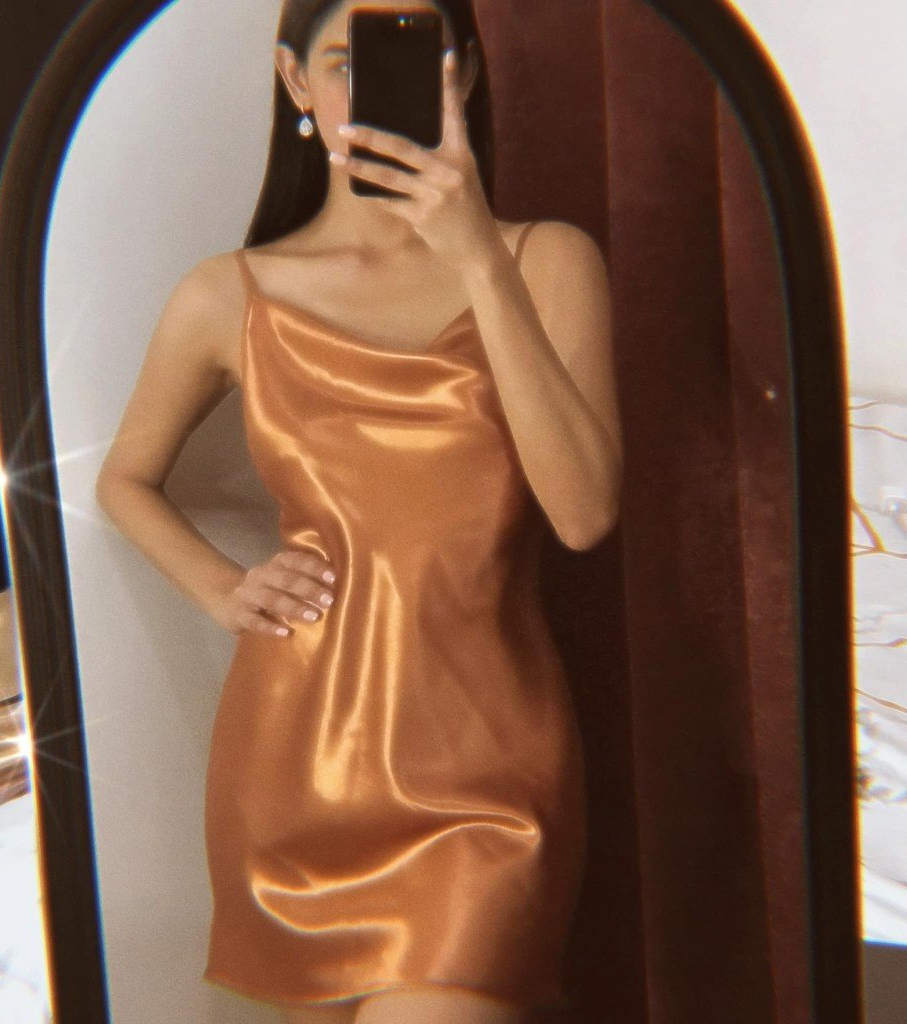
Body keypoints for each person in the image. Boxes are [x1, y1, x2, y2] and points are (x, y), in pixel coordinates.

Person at [95, 0, 622, 1021]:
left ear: (465, 75)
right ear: (295, 81)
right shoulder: (227, 294)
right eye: (344, 61)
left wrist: (474, 254)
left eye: (418, 54)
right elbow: (124, 477)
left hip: (486, 780)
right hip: (297, 762)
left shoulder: (546, 260)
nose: (375, 88)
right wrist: (222, 588)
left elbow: (584, 513)